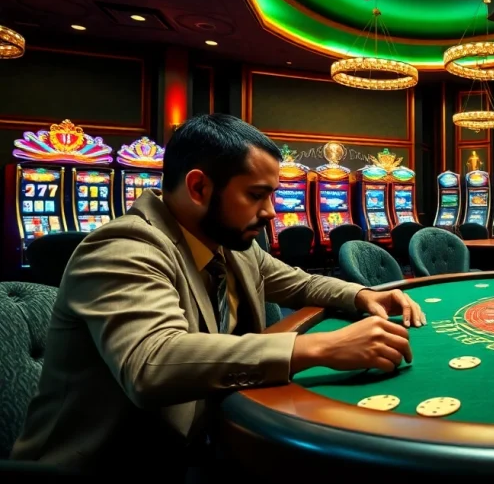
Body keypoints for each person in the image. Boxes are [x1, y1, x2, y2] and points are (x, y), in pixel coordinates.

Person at [12, 114, 425, 472]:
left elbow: (302, 282)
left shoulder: (227, 244)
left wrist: (362, 295)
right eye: (256, 195)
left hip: (204, 444)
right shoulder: (123, 248)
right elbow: (152, 362)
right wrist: (318, 348)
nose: (271, 213)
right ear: (198, 188)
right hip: (115, 468)